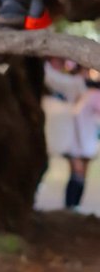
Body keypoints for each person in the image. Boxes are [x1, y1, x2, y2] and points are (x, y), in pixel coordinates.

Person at [42, 60, 100, 209]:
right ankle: (70, 206)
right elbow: (53, 79)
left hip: (87, 138)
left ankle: (75, 206)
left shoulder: (93, 92)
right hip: (74, 138)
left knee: (82, 174)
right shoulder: (72, 85)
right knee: (77, 172)